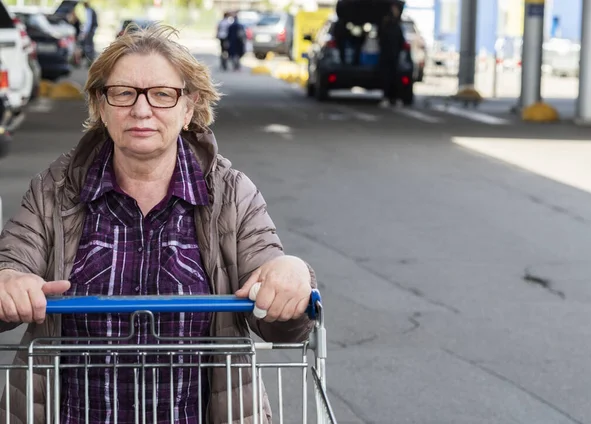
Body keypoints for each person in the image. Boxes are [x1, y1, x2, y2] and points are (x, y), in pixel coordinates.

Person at [0, 24, 317, 424]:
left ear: (189, 108)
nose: (141, 109)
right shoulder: (55, 190)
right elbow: (10, 263)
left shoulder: (231, 195)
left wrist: (290, 275)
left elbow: (276, 312)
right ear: (100, 104)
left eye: (163, 94)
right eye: (123, 93)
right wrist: (8, 281)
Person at [378, 3, 404, 107]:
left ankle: (394, 98)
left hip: (394, 55)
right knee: (387, 77)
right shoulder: (386, 25)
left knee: (394, 77)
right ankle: (387, 97)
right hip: (387, 55)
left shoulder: (397, 25)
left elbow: (401, 41)